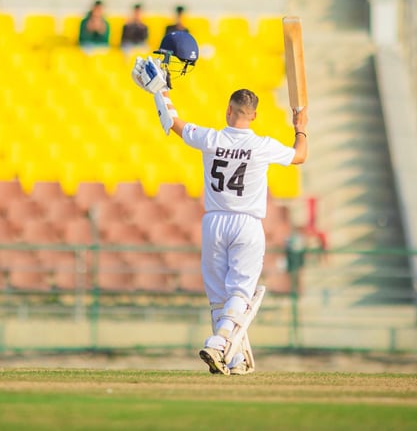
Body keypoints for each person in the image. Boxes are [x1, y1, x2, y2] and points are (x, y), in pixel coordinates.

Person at [131, 31, 309, 376]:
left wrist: (161, 93)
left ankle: (233, 358)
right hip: (246, 224)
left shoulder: (211, 138)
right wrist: (300, 127)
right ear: (253, 116)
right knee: (240, 294)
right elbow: (301, 156)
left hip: (213, 222)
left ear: (228, 111)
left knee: (219, 298)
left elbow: (171, 122)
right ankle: (219, 344)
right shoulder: (262, 145)